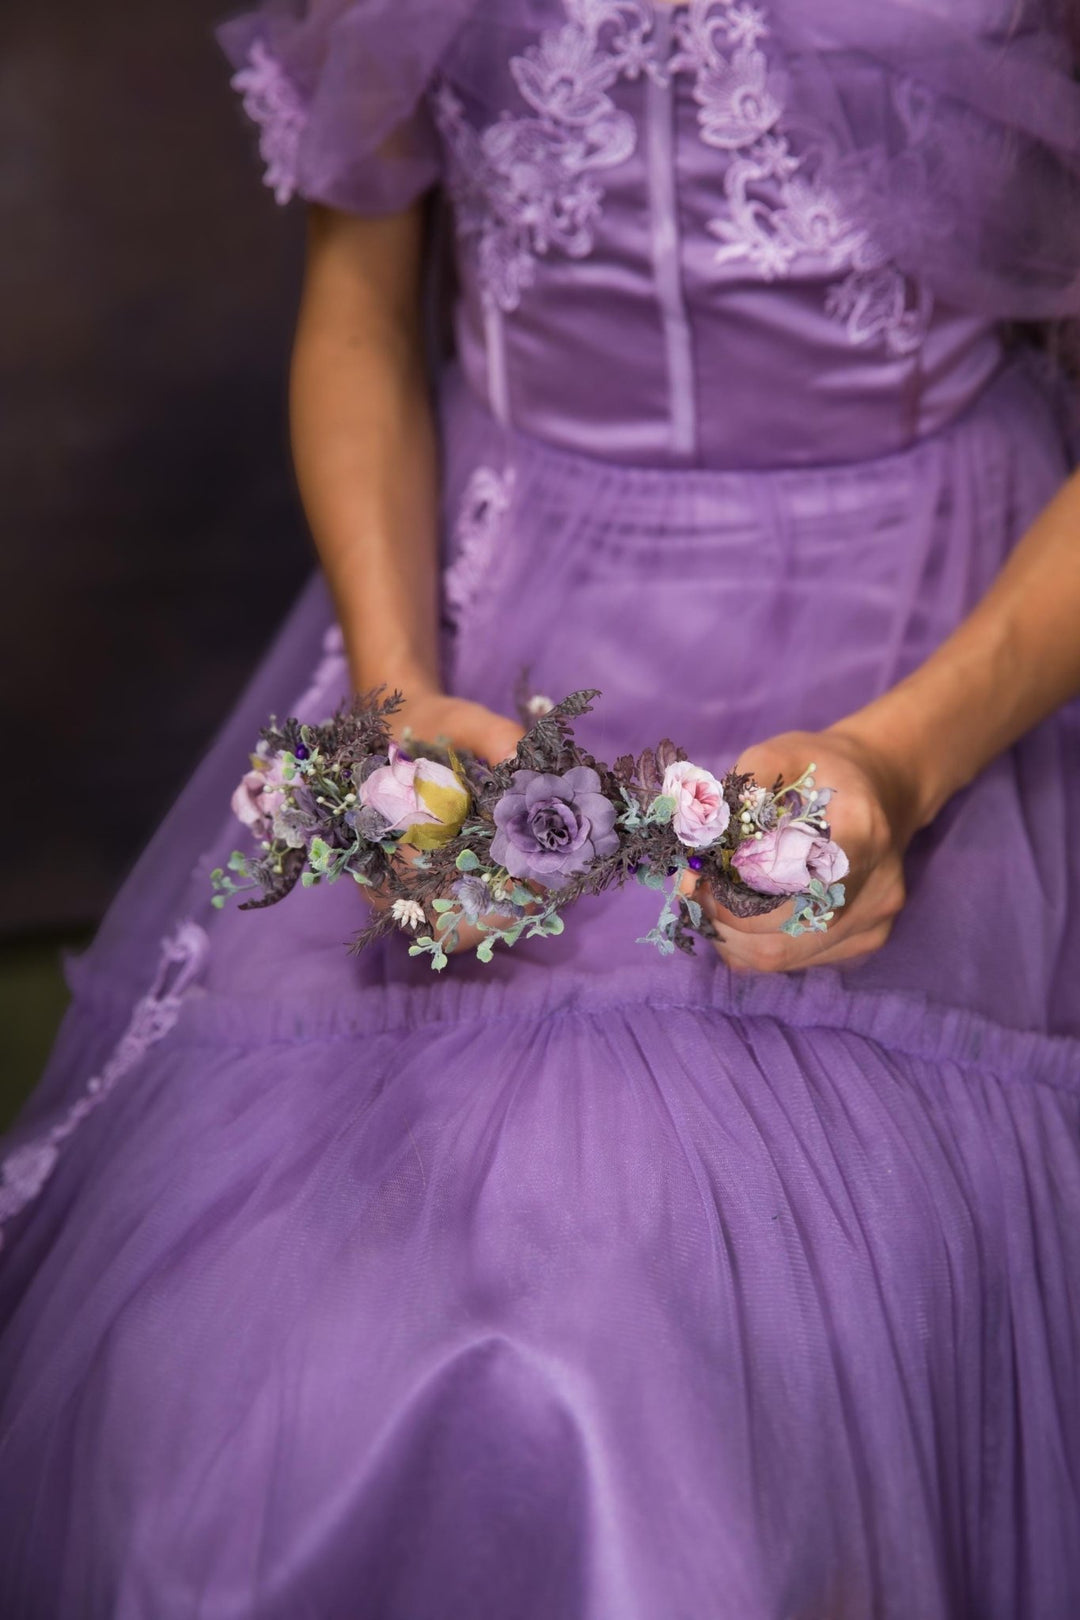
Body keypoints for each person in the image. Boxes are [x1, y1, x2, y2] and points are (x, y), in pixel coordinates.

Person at [2, 1, 1079, 1614]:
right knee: (230, 1350)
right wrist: (391, 699)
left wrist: (909, 760)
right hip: (487, 607)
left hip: (949, 616)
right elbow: (359, 305)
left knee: (704, 1347)